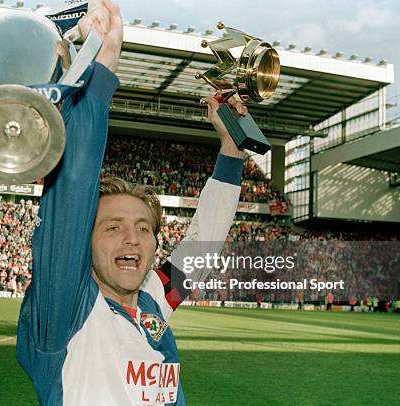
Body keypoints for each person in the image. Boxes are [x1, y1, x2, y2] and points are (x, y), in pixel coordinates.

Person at [16, 1, 245, 404]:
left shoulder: (153, 300)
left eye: (144, 228)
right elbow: (69, 196)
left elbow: (202, 244)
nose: (132, 239)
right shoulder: (66, 311)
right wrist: (99, 74)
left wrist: (231, 152)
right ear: (82, 244)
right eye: (112, 227)